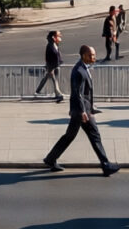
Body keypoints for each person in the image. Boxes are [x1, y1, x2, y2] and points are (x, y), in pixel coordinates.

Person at [43, 45, 120, 176]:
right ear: (83, 55)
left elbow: (84, 92)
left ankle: (50, 159)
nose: (93, 57)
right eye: (91, 55)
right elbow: (77, 93)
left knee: (69, 136)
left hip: (81, 110)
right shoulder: (78, 70)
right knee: (95, 136)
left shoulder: (83, 68)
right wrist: (83, 111)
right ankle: (106, 165)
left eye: (94, 55)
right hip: (82, 112)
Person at [35, 30, 64, 101]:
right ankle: (58, 94)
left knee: (47, 78)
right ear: (54, 37)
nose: (60, 36)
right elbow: (48, 58)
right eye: (58, 35)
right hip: (51, 67)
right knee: (55, 81)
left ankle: (37, 91)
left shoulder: (55, 44)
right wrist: (49, 68)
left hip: (55, 66)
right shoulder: (50, 46)